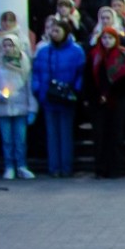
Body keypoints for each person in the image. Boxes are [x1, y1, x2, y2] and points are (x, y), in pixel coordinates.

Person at [32, 18, 84, 177]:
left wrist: (74, 90)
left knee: (66, 134)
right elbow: (36, 73)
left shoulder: (76, 51)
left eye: (57, 31)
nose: (53, 34)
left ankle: (66, 167)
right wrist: (38, 89)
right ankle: (54, 167)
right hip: (48, 97)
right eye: (52, 31)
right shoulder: (43, 51)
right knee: (52, 134)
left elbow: (80, 74)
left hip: (66, 98)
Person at [87, 27, 125, 179]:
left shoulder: (123, 55)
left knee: (116, 135)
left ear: (116, 39)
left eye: (110, 38)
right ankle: (100, 168)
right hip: (98, 102)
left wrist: (111, 94)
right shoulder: (94, 55)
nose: (107, 41)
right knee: (100, 136)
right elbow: (88, 79)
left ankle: (116, 168)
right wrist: (99, 96)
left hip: (118, 100)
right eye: (104, 38)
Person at [0, 33, 35, 180]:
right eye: (5, 45)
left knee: (20, 140)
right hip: (3, 106)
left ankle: (21, 165)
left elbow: (29, 85)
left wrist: (32, 108)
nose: (7, 48)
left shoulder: (24, 61)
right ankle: (9, 166)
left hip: (21, 106)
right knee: (7, 140)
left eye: (10, 45)